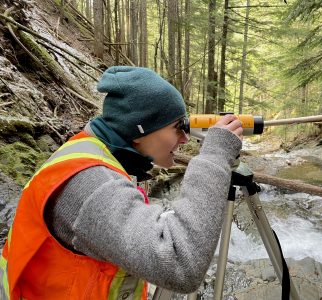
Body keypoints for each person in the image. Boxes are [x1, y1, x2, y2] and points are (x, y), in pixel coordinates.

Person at [0, 66, 243, 300]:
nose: (184, 139)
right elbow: (180, 264)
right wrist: (215, 157)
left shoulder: (93, 152)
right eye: (177, 128)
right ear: (139, 131)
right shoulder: (91, 184)